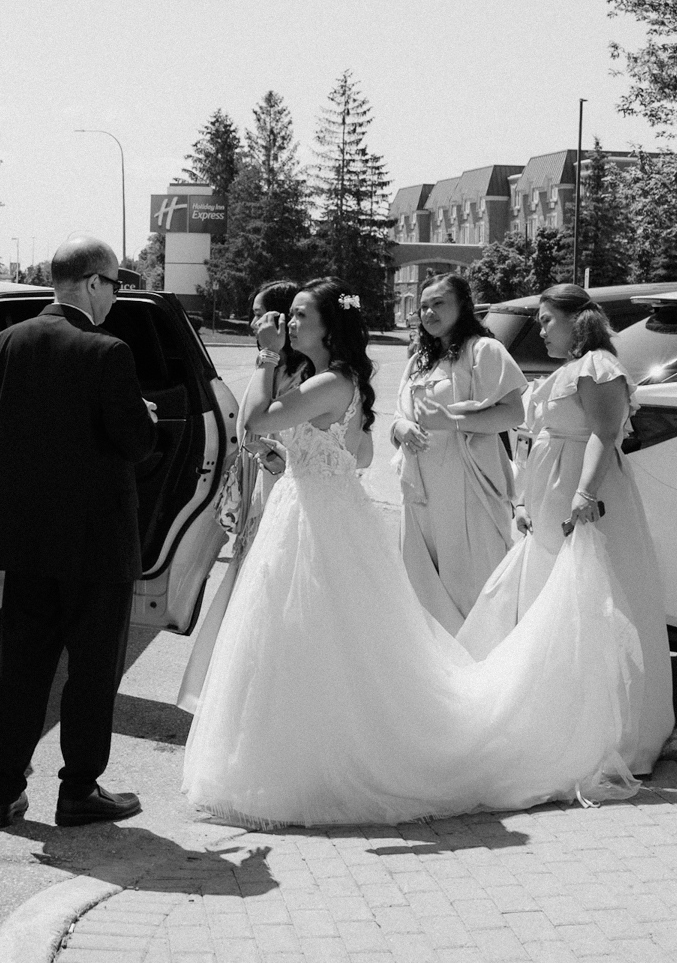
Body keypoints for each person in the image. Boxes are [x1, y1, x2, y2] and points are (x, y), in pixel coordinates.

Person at [182, 279, 643, 828]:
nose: (289, 324)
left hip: (360, 506)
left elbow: (255, 421)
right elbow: (349, 450)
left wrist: (264, 357)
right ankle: (294, 750)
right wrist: (294, 454)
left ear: (329, 327)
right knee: (300, 632)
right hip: (314, 506)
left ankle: (332, 759)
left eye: (301, 315)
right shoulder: (331, 377)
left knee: (325, 630)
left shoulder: (337, 379)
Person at [0, 236, 159, 830]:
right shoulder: (107, 352)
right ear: (89, 283)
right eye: (115, 284)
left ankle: (1, 791)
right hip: (94, 545)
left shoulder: (3, 344)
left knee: (22, 671)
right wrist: (145, 415)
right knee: (91, 672)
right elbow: (135, 442)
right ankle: (79, 788)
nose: (117, 296)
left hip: (25, 541)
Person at [456, 283, 675, 775]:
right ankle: (553, 716)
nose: (540, 328)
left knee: (591, 604)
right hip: (548, 501)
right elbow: (534, 441)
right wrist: (523, 498)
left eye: (547, 320)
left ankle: (604, 730)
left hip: (584, 499)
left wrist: (584, 494)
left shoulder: (598, 367)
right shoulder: (566, 372)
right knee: (549, 604)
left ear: (576, 321)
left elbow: (604, 433)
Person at [175, 280, 307, 714]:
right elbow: (246, 428)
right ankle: (244, 699)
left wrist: (277, 457)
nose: (253, 323)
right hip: (260, 497)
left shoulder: (309, 374)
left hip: (294, 497)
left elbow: (317, 444)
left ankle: (277, 701)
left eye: (260, 314)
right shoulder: (268, 367)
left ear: (283, 320)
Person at [390, 275, 527, 629]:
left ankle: (480, 663)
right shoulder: (420, 359)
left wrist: (451, 420)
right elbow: (399, 412)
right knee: (423, 581)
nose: (429, 312)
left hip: (466, 486)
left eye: (438, 303)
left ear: (462, 306)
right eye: (423, 306)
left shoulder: (483, 350)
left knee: (470, 582)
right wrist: (399, 428)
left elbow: (513, 412)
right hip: (421, 489)